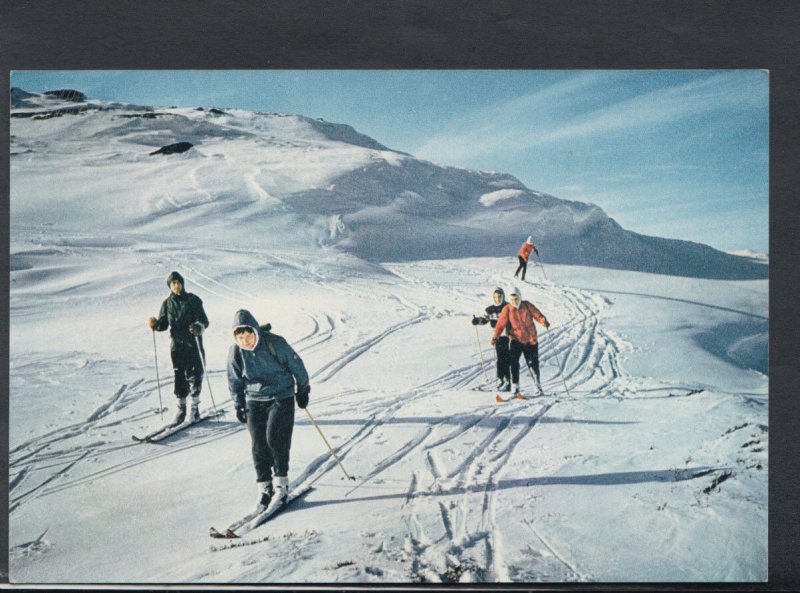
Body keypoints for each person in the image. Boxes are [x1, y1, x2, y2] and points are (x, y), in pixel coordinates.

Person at [227, 309, 310, 513]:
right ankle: (264, 487)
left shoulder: (275, 343)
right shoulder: (236, 352)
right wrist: (238, 404)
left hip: (281, 396)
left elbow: (297, 365)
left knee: (275, 438)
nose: (245, 341)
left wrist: (303, 390)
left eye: (248, 335)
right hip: (254, 399)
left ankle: (281, 484)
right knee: (258, 444)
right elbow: (234, 379)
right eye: (240, 337)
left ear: (255, 331)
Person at [147, 271, 209, 424]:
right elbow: (163, 323)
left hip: (193, 342)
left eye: (178, 282)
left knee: (195, 375)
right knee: (179, 376)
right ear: (169, 286)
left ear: (183, 283)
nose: (176, 285)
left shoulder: (193, 300)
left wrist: (198, 326)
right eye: (173, 283)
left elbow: (204, 321)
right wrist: (155, 325)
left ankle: (194, 409)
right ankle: (181, 410)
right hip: (177, 344)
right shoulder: (167, 303)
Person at [490, 287, 550, 396]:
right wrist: (495, 336)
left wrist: (543, 320)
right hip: (516, 339)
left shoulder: (526, 305)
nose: (514, 302)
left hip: (530, 339)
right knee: (513, 363)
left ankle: (538, 387)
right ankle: (515, 387)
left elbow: (537, 314)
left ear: (520, 297)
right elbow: (500, 324)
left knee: (532, 363)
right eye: (512, 300)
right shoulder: (507, 309)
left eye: (516, 299)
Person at [472, 287, 512, 391]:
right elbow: (485, 320)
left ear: (503, 297)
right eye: (495, 297)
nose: (497, 299)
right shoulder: (490, 310)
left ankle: (508, 381)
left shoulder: (508, 307)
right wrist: (477, 321)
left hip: (508, 336)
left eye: (499, 297)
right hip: (497, 337)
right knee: (500, 359)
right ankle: (500, 379)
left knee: (506, 359)